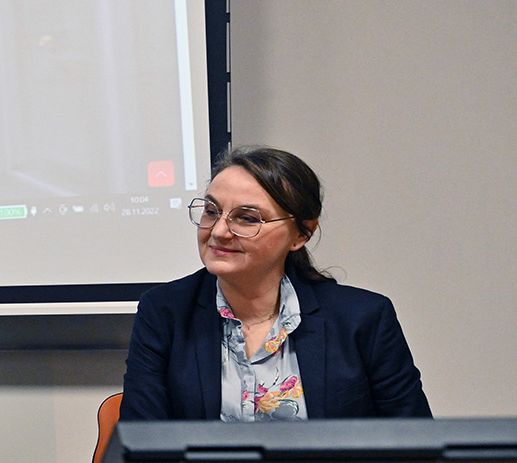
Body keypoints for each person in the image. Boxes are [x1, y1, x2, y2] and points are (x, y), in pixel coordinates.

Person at [121, 144, 431, 421]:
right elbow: (142, 441)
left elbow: (415, 444)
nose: (218, 231)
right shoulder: (164, 312)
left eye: (247, 218)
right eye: (211, 211)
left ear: (301, 234)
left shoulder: (362, 318)